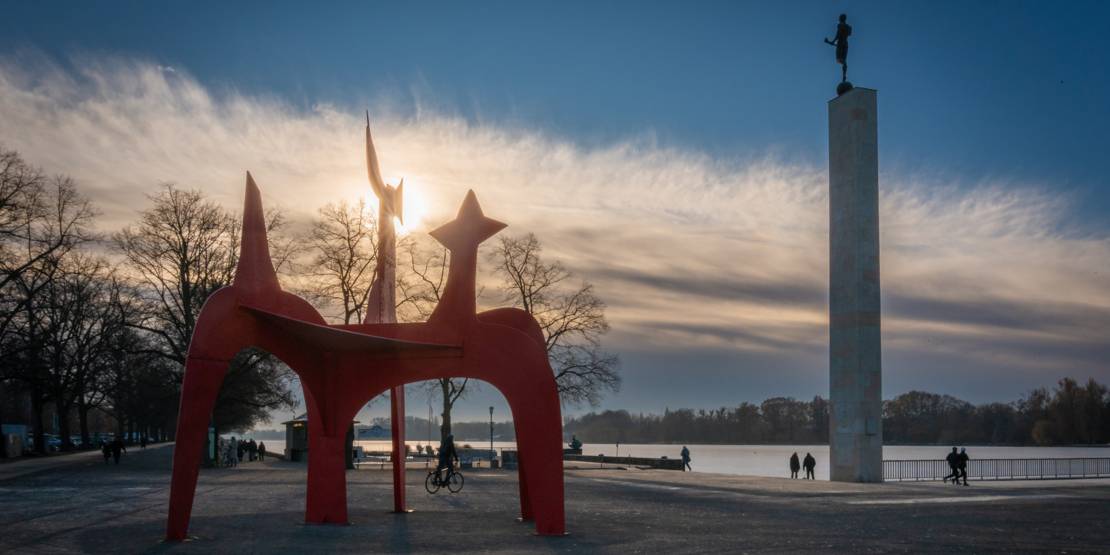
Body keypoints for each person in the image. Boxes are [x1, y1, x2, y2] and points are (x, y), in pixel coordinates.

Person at [823, 13, 852, 82]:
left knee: (839, 59)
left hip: (840, 42)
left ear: (841, 19)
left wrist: (832, 41)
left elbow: (838, 35)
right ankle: (844, 75)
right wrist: (831, 42)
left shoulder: (840, 25)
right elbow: (849, 34)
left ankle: (844, 75)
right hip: (845, 43)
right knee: (844, 61)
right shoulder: (849, 27)